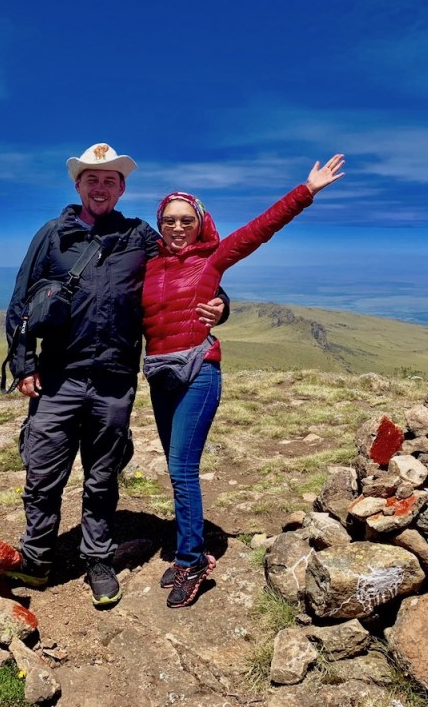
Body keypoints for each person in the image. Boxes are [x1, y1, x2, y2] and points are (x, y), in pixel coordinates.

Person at [4, 142, 228, 607]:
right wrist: (24, 366)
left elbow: (186, 270)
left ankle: (99, 558)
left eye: (110, 180)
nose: (100, 186)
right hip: (58, 376)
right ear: (78, 185)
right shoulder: (53, 234)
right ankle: (37, 559)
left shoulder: (139, 236)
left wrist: (222, 305)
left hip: (113, 379)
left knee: (102, 475)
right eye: (92, 179)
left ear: (122, 188)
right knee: (43, 471)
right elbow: (21, 302)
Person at [142, 154, 345, 608]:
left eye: (186, 220)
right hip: (158, 374)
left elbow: (259, 229)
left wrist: (305, 191)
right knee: (177, 473)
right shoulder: (147, 266)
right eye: (169, 221)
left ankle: (193, 561)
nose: (177, 228)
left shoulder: (212, 258)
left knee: (181, 469)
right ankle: (185, 549)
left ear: (199, 223)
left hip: (198, 371)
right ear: (160, 224)